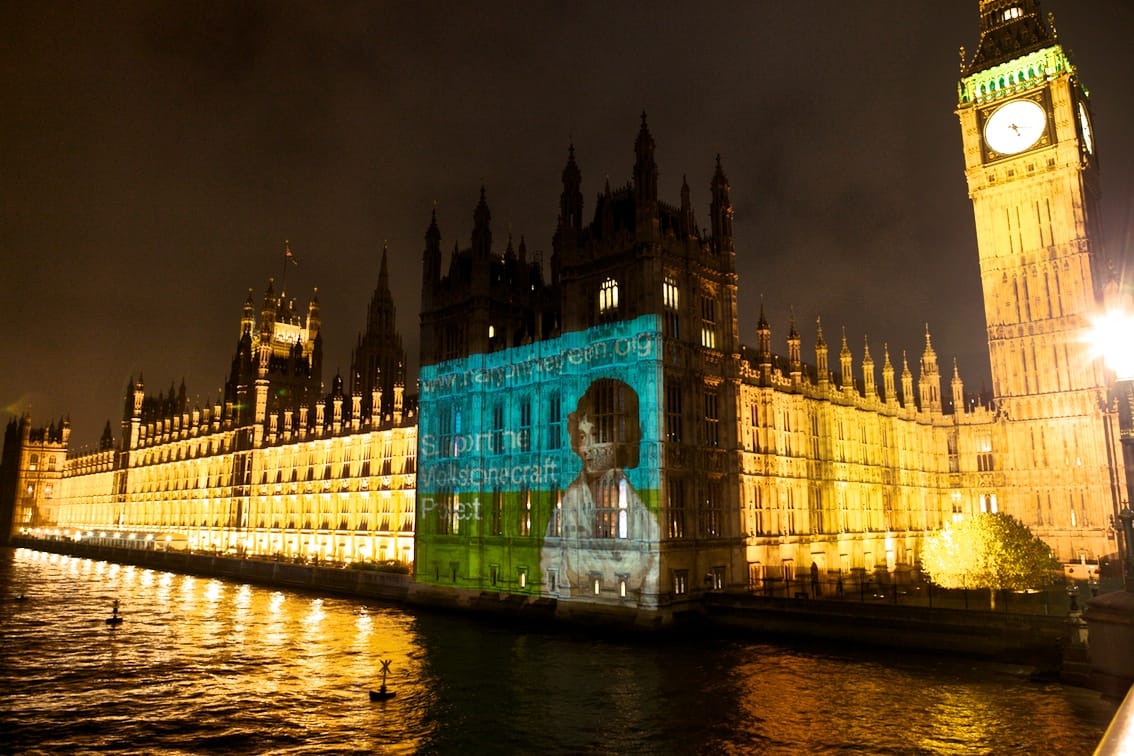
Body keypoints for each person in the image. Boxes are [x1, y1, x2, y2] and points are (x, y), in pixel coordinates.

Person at [542, 378, 659, 600]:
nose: (586, 449)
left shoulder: (636, 499)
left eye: (595, 436)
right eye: (582, 436)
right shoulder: (571, 495)